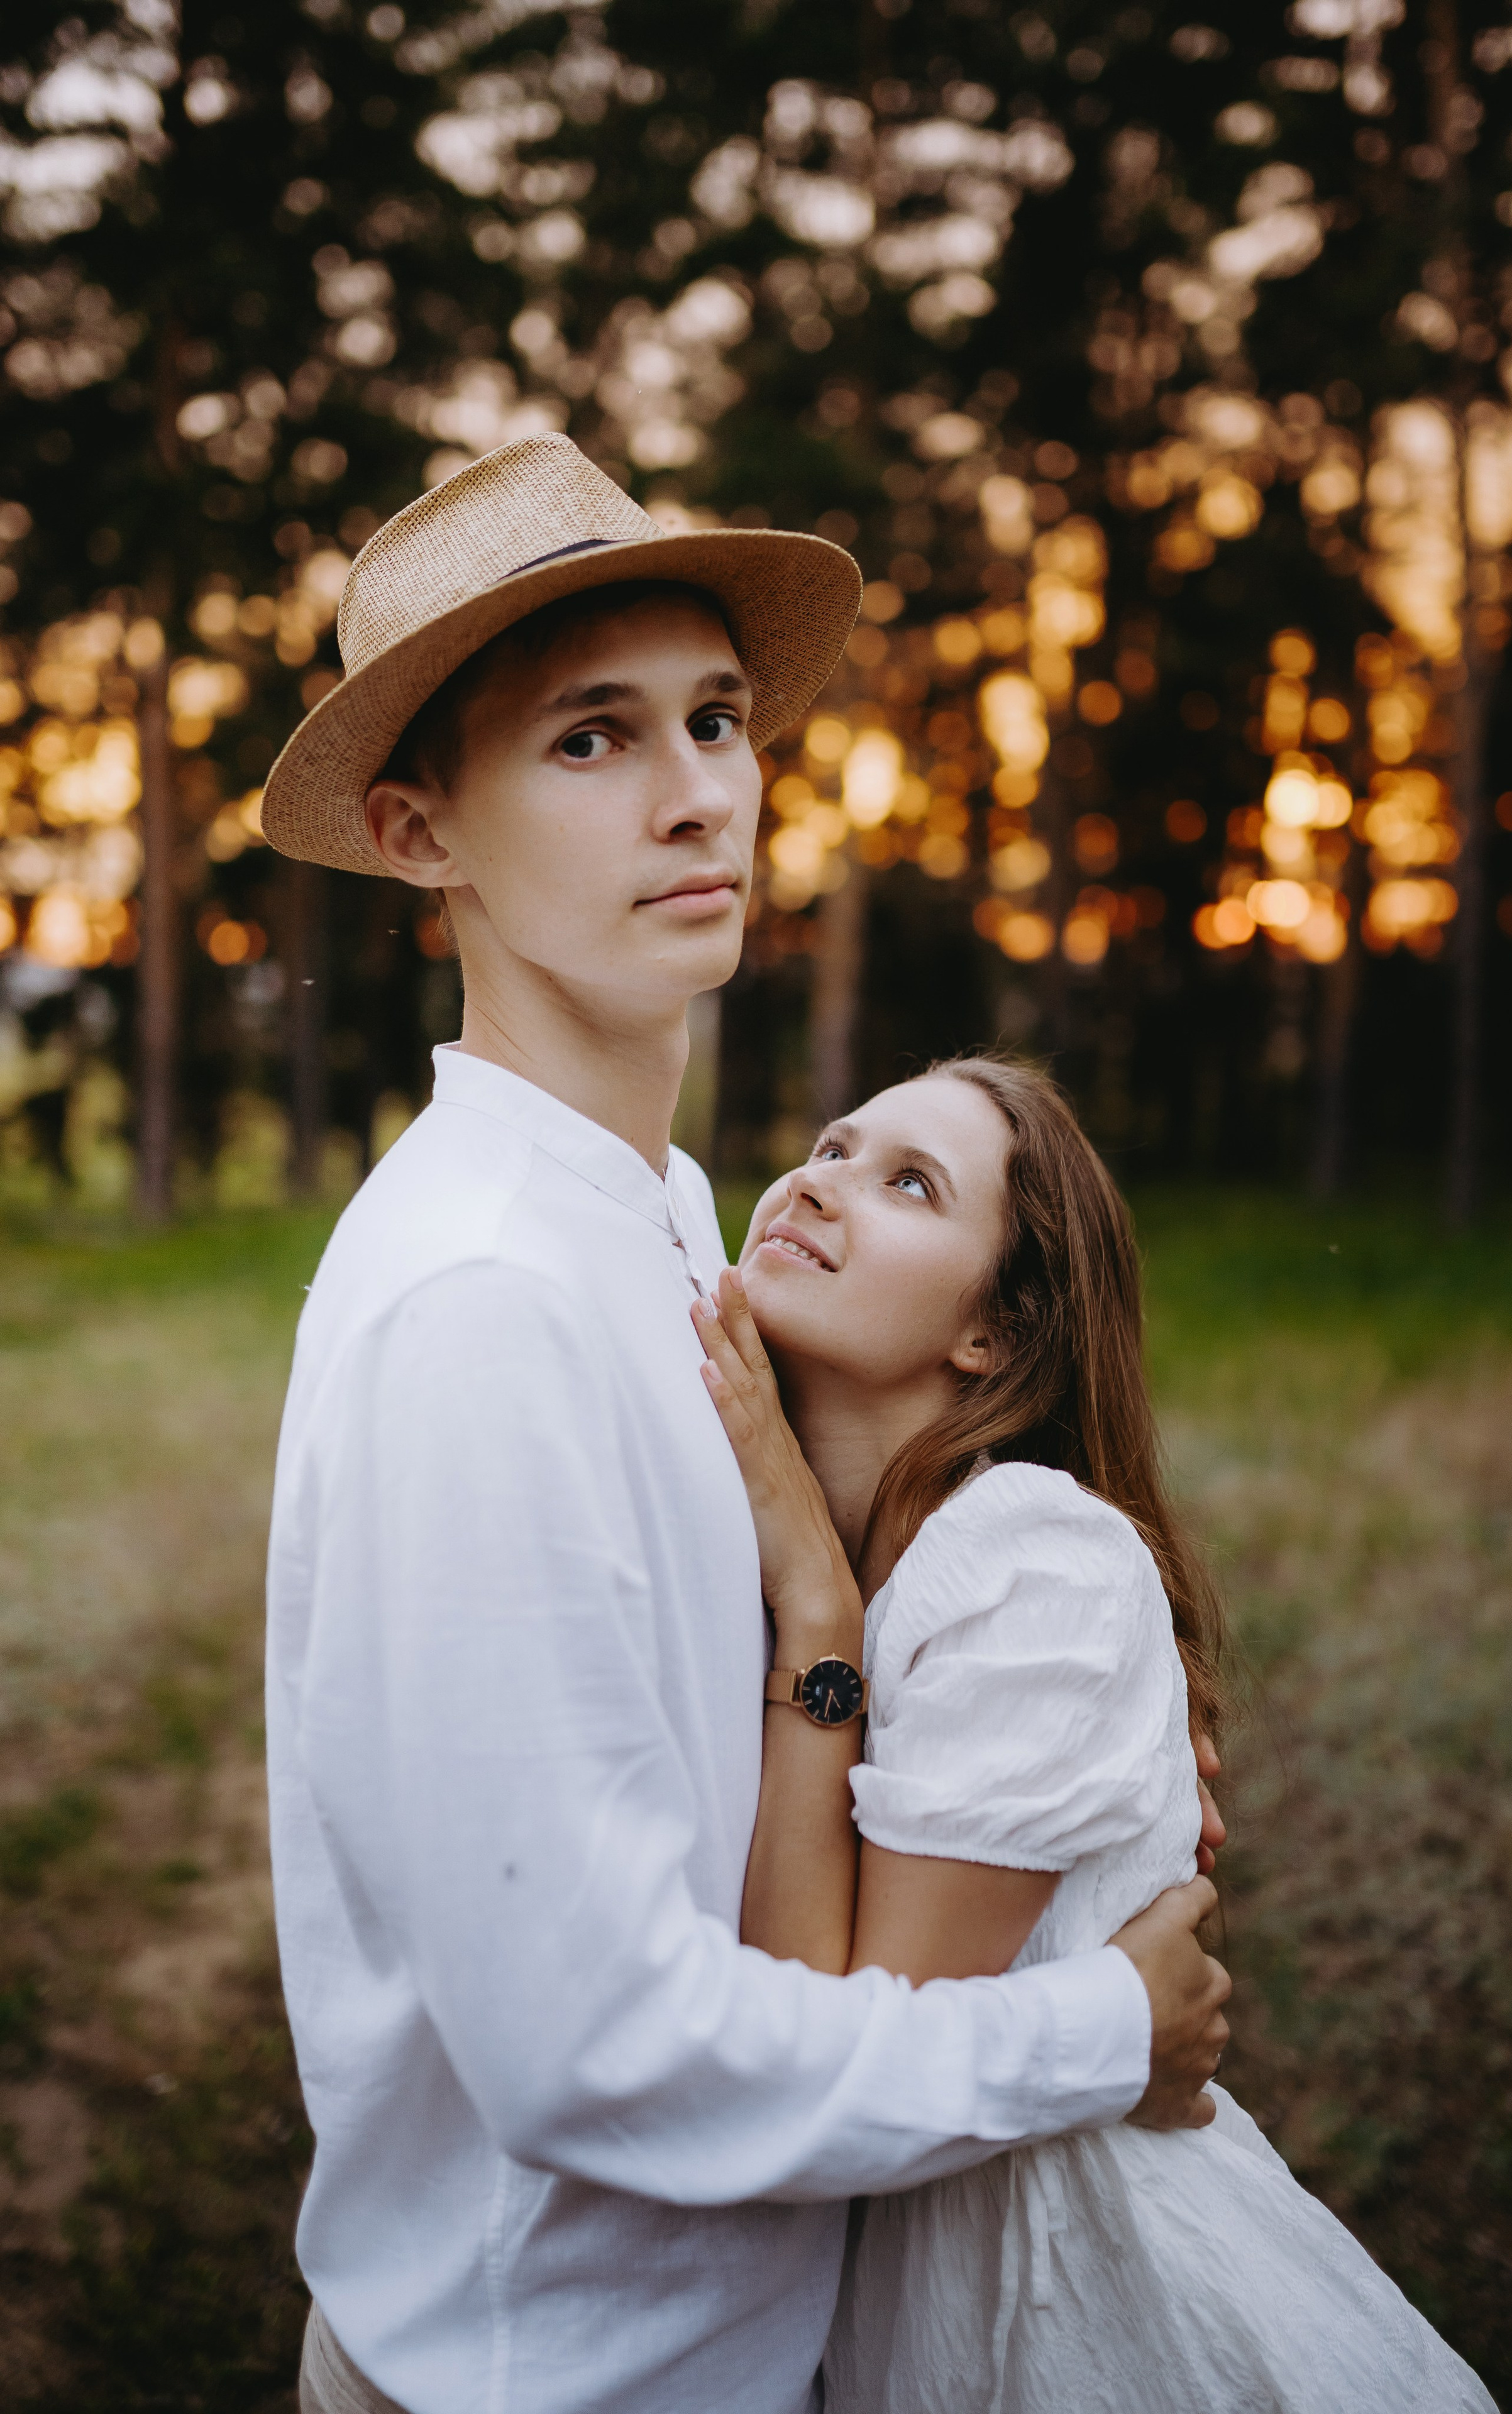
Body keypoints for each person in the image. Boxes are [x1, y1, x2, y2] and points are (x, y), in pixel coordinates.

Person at [258, 435, 1230, 2414]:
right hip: (552, 2375)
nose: (705, 788)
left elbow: (789, 1646)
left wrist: (1067, 1774)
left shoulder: (669, 1214)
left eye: (716, 717)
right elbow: (589, 2049)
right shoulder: (483, 1307)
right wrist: (1096, 2027)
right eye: (593, 740)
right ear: (421, 828)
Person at [693, 1055, 1499, 2414]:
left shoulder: (1027, 1557)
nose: (821, 1180)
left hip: (1092, 2314)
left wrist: (821, 1626)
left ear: (992, 1338)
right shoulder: (811, 1549)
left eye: (905, 1182)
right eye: (830, 1145)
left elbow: (842, 2059)